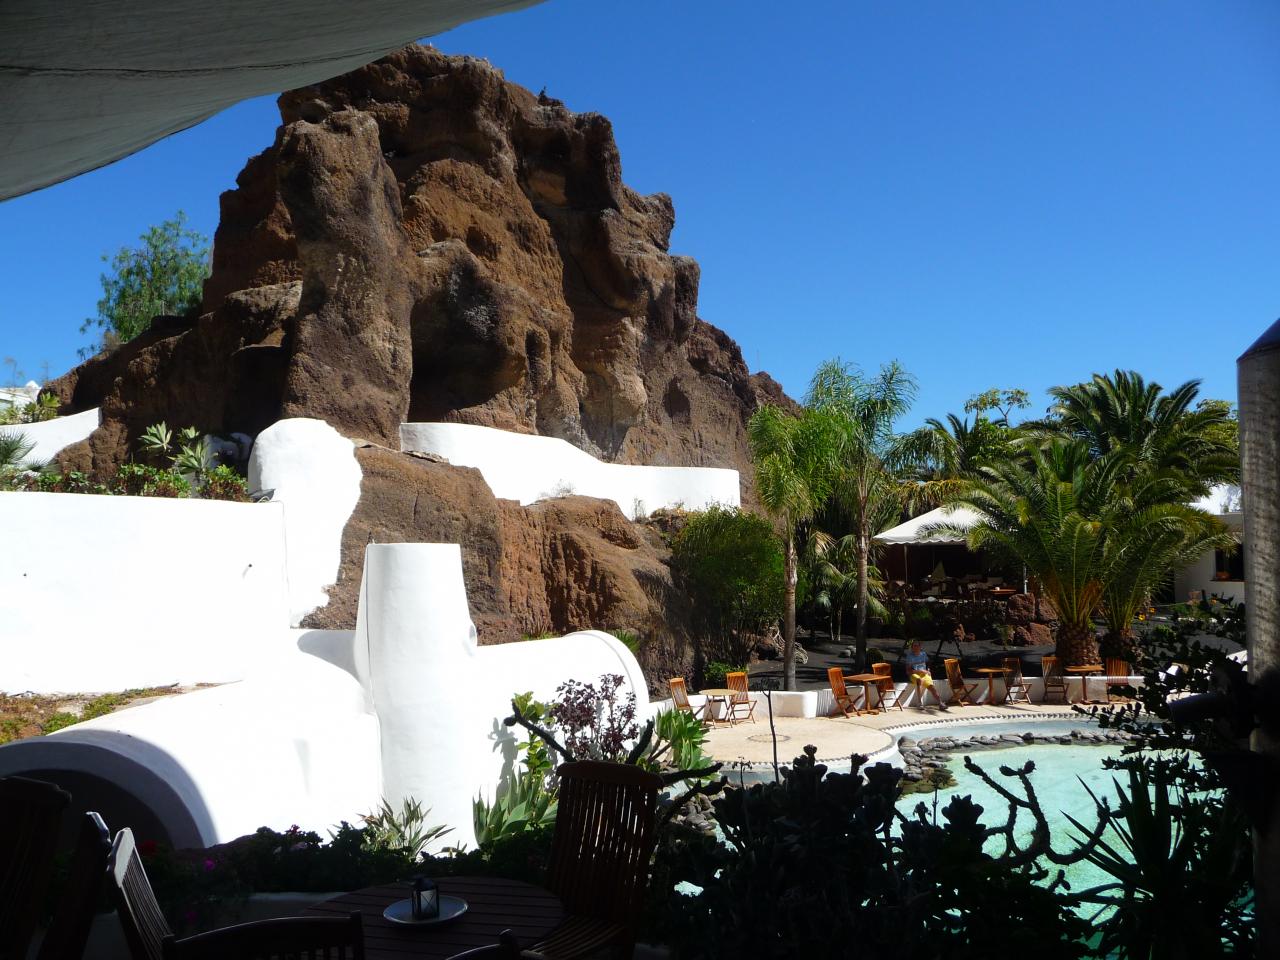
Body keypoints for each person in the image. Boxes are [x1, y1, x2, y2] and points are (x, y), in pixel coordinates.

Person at [905, 641, 944, 708]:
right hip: (914, 674)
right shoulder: (909, 656)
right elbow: (908, 671)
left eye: (917, 646)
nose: (916, 647)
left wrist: (928, 670)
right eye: (914, 646)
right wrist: (920, 671)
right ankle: (919, 703)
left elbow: (928, 663)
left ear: (920, 647)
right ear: (912, 648)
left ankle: (940, 703)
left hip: (924, 673)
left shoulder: (923, 654)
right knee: (919, 680)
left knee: (931, 686)